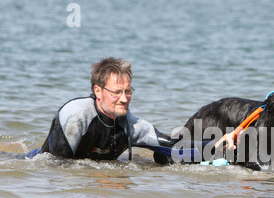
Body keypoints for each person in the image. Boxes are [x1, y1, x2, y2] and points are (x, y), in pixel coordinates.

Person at [25, 57, 234, 163]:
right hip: (34, 160)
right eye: (116, 92)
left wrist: (218, 143)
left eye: (128, 91)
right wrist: (97, 177)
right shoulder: (76, 116)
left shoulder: (133, 126)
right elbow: (55, 166)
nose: (124, 99)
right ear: (98, 90)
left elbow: (173, 146)